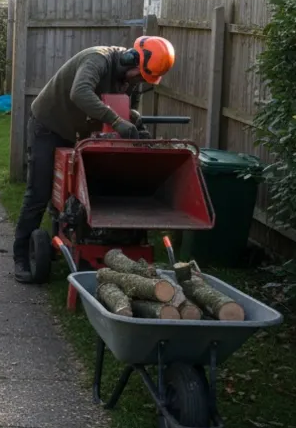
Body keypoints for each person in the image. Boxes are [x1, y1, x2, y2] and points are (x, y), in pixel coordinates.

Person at [12, 36, 175, 283]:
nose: (140, 82)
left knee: (74, 191)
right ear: (131, 59)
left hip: (80, 130)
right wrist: (117, 121)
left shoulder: (128, 77)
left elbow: (123, 105)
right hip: (49, 125)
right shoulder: (96, 59)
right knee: (39, 192)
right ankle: (21, 256)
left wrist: (131, 118)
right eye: (140, 76)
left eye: (145, 80)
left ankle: (71, 236)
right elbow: (80, 92)